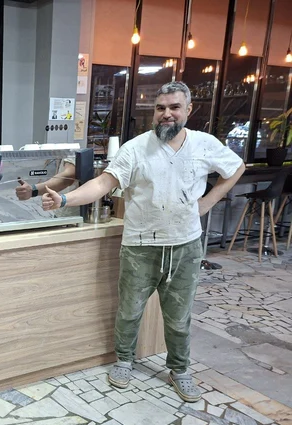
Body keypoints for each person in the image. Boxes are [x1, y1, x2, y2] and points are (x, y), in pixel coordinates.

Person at [41, 82, 245, 403]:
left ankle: (179, 369)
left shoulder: (204, 144)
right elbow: (103, 183)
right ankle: (124, 361)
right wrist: (65, 199)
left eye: (174, 107)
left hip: (185, 246)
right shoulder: (135, 148)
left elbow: (236, 168)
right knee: (129, 310)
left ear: (188, 110)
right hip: (140, 245)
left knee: (179, 316)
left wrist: (207, 202)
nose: (166, 114)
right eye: (160, 108)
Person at [15, 156, 82, 218]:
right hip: (64, 208)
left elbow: (67, 178)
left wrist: (33, 190)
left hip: (71, 215)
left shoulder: (72, 149)